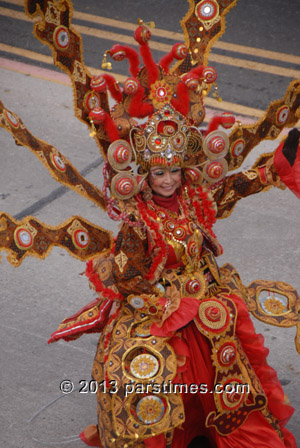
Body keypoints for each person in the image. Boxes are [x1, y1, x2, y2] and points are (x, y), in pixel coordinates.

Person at [1, 1, 300, 447]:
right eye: (157, 172)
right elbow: (127, 279)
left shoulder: (195, 202)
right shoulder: (138, 223)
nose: (166, 180)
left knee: (227, 360)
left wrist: (278, 164)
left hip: (207, 301)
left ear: (184, 170)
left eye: (173, 171)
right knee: (154, 376)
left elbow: (239, 186)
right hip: (160, 309)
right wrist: (159, 302)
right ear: (142, 174)